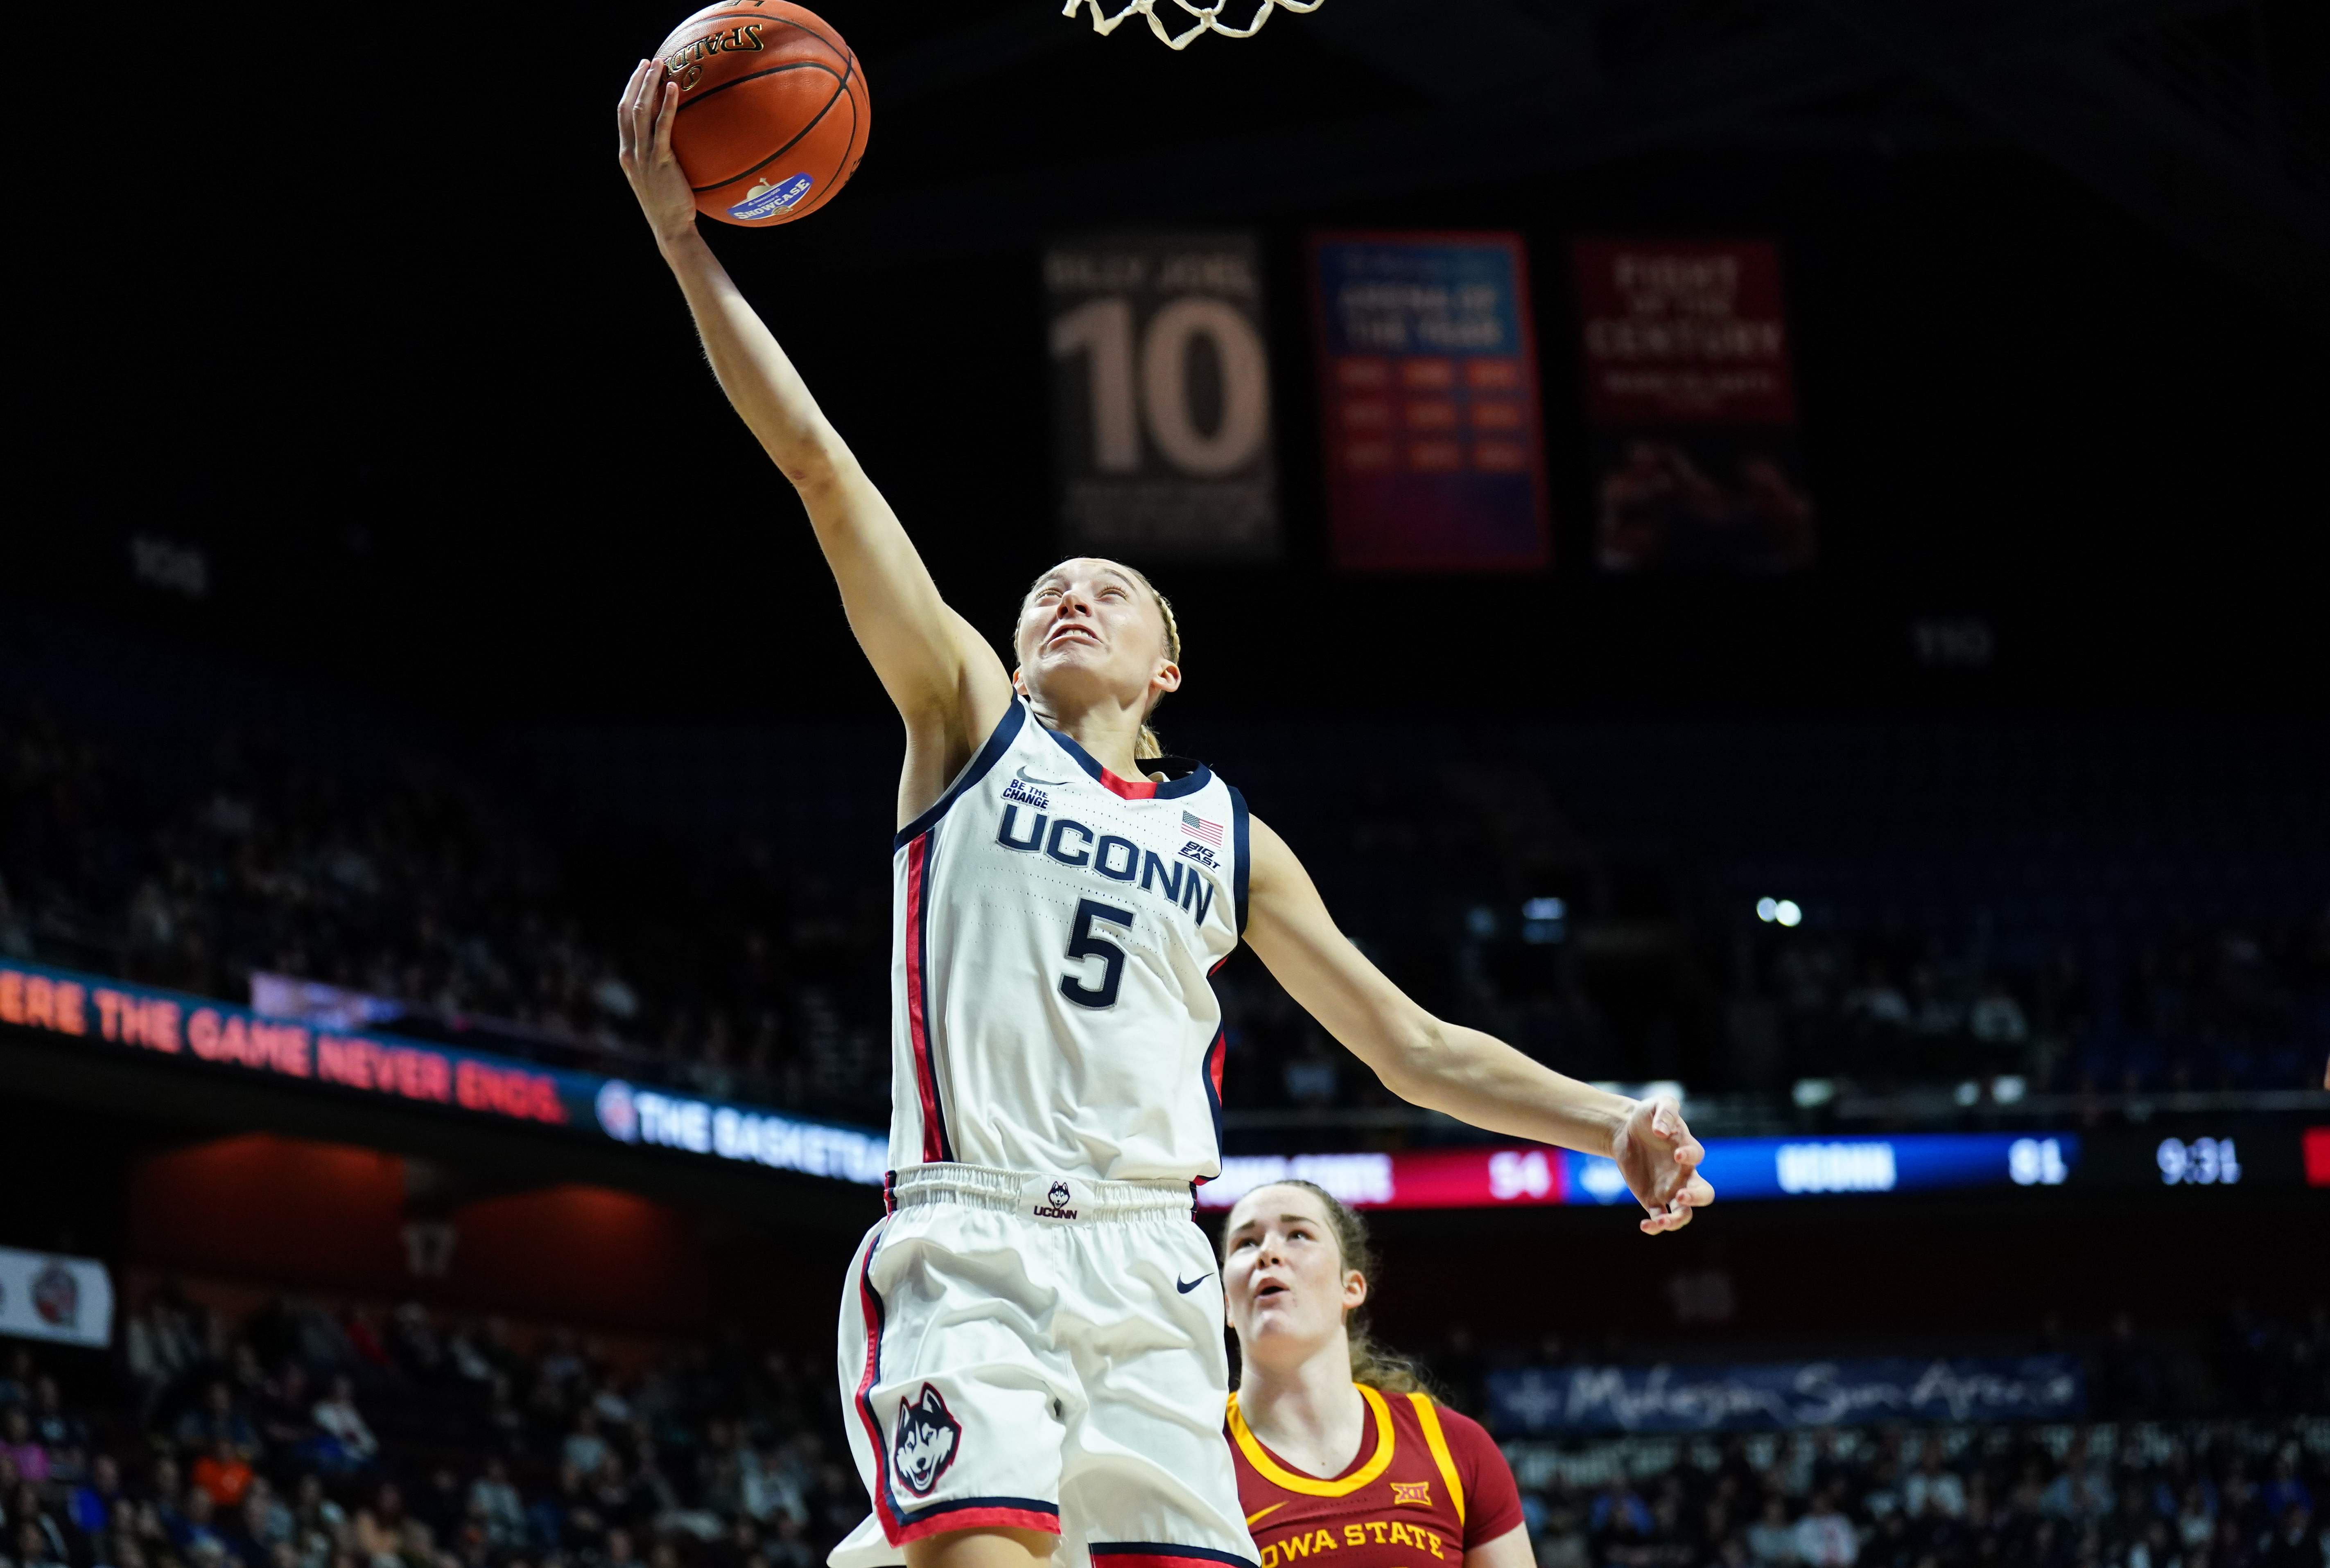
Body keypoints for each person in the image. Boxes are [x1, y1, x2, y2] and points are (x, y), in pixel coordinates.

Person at [614, 57, 1715, 1568]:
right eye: (1047, 591)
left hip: (1153, 1268)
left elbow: (1412, 1049)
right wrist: (687, 243)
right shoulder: (961, 721)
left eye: (1110, 591)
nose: (1073, 595)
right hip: (977, 1236)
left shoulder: (1230, 837)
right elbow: (819, 468)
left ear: (1167, 665)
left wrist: (1614, 1118)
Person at [1218, 1182, 1529, 1568]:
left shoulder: (1456, 1445)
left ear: (1350, 1286)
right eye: (1245, 1243)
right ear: (1227, 1305)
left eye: (1298, 1234)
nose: (1267, 1253)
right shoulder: (1197, 1460)